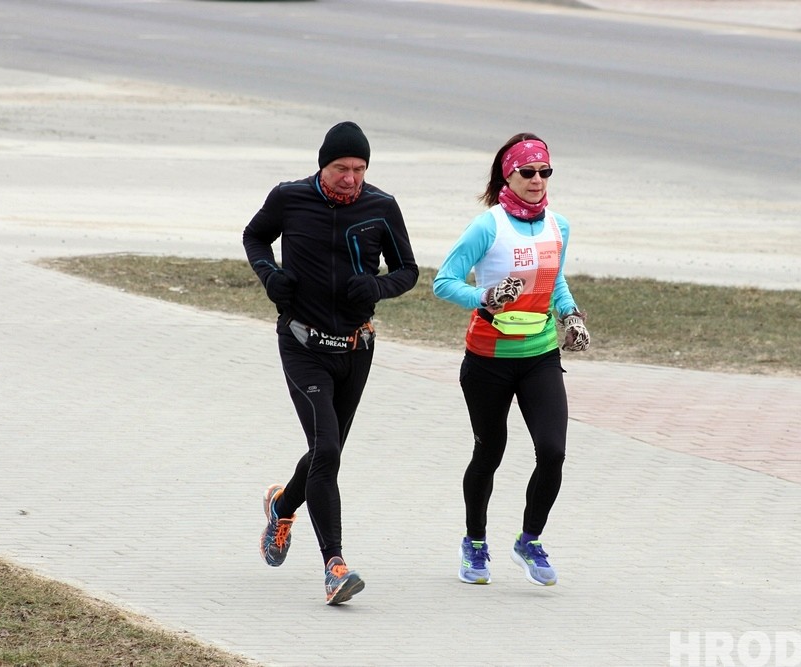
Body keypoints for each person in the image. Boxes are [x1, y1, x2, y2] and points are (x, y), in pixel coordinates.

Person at [243, 121, 418, 605]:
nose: (351, 178)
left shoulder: (381, 207)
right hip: (302, 345)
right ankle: (334, 566)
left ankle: (282, 506)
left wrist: (379, 287)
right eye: (342, 168)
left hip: (357, 348)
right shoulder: (289, 198)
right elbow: (254, 237)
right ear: (323, 165)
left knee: (328, 449)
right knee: (328, 450)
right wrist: (269, 276)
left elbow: (409, 271)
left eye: (359, 169)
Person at [432, 133, 590, 587]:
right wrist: (485, 297)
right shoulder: (488, 226)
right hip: (488, 358)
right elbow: (443, 282)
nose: (538, 180)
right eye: (528, 172)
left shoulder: (559, 225)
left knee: (553, 452)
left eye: (545, 172)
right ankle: (475, 543)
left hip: (539, 355)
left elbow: (555, 282)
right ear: (509, 174)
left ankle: (529, 541)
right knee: (490, 451)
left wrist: (571, 316)